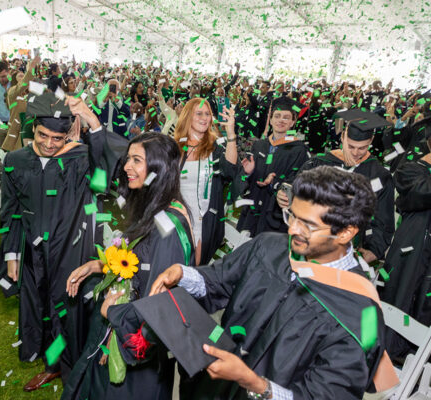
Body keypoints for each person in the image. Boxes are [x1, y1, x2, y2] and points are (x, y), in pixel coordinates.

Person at [149, 166, 397, 399]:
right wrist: (183, 274)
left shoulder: (361, 316)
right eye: (292, 216)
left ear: (345, 232)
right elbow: (217, 281)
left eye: (307, 225)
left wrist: (255, 384)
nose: (292, 230)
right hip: (212, 387)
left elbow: (325, 395)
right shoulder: (269, 246)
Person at [0, 93, 128, 391]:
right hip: (32, 251)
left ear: (67, 133)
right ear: (33, 129)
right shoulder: (15, 161)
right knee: (37, 307)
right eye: (43, 135)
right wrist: (11, 256)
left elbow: (104, 174)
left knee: (64, 313)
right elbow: (10, 213)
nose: (50, 144)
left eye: (58, 137)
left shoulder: (79, 160)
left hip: (71, 248)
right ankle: (50, 363)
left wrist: (92, 121)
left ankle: (67, 365)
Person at [62, 133, 195, 400]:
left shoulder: (168, 228)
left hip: (136, 356)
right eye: (128, 159)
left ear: (158, 169)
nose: (125, 167)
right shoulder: (153, 210)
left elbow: (159, 308)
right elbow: (137, 264)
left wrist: (118, 342)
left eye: (136, 160)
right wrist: (97, 266)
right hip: (120, 325)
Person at [278, 109, 395, 264]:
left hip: (348, 248)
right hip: (309, 239)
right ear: (342, 137)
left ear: (371, 140)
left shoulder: (379, 175)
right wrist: (283, 194)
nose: (355, 153)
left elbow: (383, 220)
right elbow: (295, 186)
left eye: (362, 148)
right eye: (351, 146)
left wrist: (373, 250)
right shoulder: (320, 162)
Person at [380, 114, 431, 360]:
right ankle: (391, 356)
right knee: (404, 297)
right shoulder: (412, 168)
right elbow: (420, 195)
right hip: (414, 251)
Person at [234, 96, 309, 236]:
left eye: (286, 117)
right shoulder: (259, 145)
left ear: (293, 122)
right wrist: (248, 173)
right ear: (271, 119)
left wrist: (275, 183)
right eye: (277, 116)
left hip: (275, 213)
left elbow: (298, 181)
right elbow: (245, 182)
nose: (281, 120)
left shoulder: (299, 150)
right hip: (252, 208)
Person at [174, 97, 237, 264]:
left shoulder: (214, 147)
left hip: (203, 220)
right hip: (176, 218)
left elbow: (230, 171)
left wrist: (230, 134)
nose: (204, 118)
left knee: (195, 270)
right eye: (199, 113)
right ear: (187, 116)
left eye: (208, 114)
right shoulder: (175, 147)